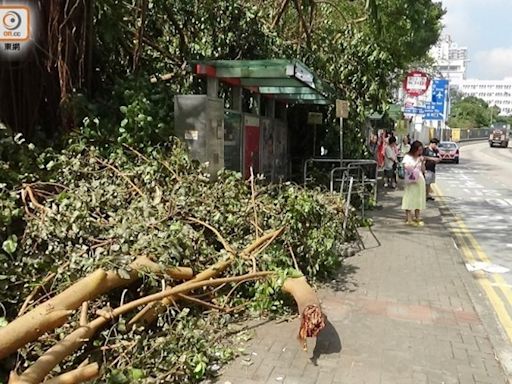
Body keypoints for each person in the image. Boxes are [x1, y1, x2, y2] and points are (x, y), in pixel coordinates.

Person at [402, 140, 426, 226]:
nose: (420, 152)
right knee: (409, 197)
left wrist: (422, 162)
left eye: (421, 150)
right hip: (411, 180)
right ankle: (408, 218)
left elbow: (423, 170)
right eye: (418, 150)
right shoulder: (407, 157)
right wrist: (417, 162)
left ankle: (417, 216)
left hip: (419, 179)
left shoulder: (420, 158)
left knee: (418, 198)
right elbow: (408, 168)